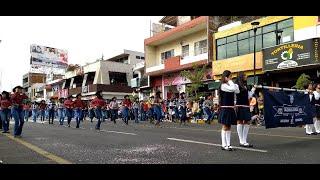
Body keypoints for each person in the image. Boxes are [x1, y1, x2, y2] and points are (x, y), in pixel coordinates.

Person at [218, 70, 240, 151]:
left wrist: (231, 82)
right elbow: (233, 88)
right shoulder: (223, 86)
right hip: (225, 108)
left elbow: (237, 91)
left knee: (229, 126)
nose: (232, 78)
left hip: (230, 108)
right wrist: (230, 81)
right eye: (230, 76)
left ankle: (229, 144)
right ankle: (224, 145)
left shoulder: (230, 85)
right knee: (225, 126)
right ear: (226, 77)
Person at [235, 72, 255, 147]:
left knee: (247, 121)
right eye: (245, 75)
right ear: (241, 77)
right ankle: (241, 141)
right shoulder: (236, 85)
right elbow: (235, 93)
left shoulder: (245, 85)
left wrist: (253, 89)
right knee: (240, 121)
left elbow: (249, 96)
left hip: (246, 105)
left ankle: (244, 140)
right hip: (239, 105)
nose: (246, 76)